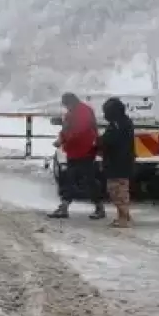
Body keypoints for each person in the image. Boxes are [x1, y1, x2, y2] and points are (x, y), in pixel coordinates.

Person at [50, 92, 105, 220]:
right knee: (69, 179)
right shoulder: (73, 113)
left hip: (85, 151)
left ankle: (99, 207)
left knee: (88, 180)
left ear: (71, 102)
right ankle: (64, 207)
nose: (66, 108)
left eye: (66, 105)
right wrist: (62, 138)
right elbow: (67, 129)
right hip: (74, 151)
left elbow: (79, 131)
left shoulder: (83, 112)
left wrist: (63, 140)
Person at [99, 97, 135, 228]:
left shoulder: (118, 124)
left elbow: (110, 140)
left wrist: (100, 141)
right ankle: (123, 216)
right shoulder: (122, 122)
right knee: (116, 191)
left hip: (119, 163)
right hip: (119, 162)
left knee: (119, 192)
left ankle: (124, 218)